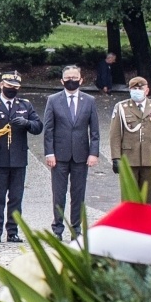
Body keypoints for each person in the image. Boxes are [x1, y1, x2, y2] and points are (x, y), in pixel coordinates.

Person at [42, 65, 101, 240]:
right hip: (59, 156)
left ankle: (76, 229)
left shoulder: (89, 100)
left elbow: (95, 131)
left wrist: (94, 153)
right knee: (59, 194)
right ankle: (57, 229)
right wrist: (49, 153)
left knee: (78, 194)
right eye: (68, 78)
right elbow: (48, 129)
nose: (71, 81)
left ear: (81, 80)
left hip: (81, 156)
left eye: (75, 78)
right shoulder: (53, 100)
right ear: (62, 80)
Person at [0, 71, 42, 243]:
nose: (12, 90)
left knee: (16, 198)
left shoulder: (24, 105)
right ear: (2, 85)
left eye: (15, 88)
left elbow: (38, 126)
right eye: (9, 87)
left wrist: (27, 123)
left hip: (18, 159)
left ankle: (12, 231)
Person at [109, 77, 151, 200]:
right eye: (134, 88)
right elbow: (115, 135)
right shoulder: (121, 107)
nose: (137, 91)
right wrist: (116, 158)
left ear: (147, 90)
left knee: (147, 197)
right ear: (130, 90)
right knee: (129, 198)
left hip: (150, 158)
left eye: (140, 88)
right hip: (129, 158)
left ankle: (144, 220)